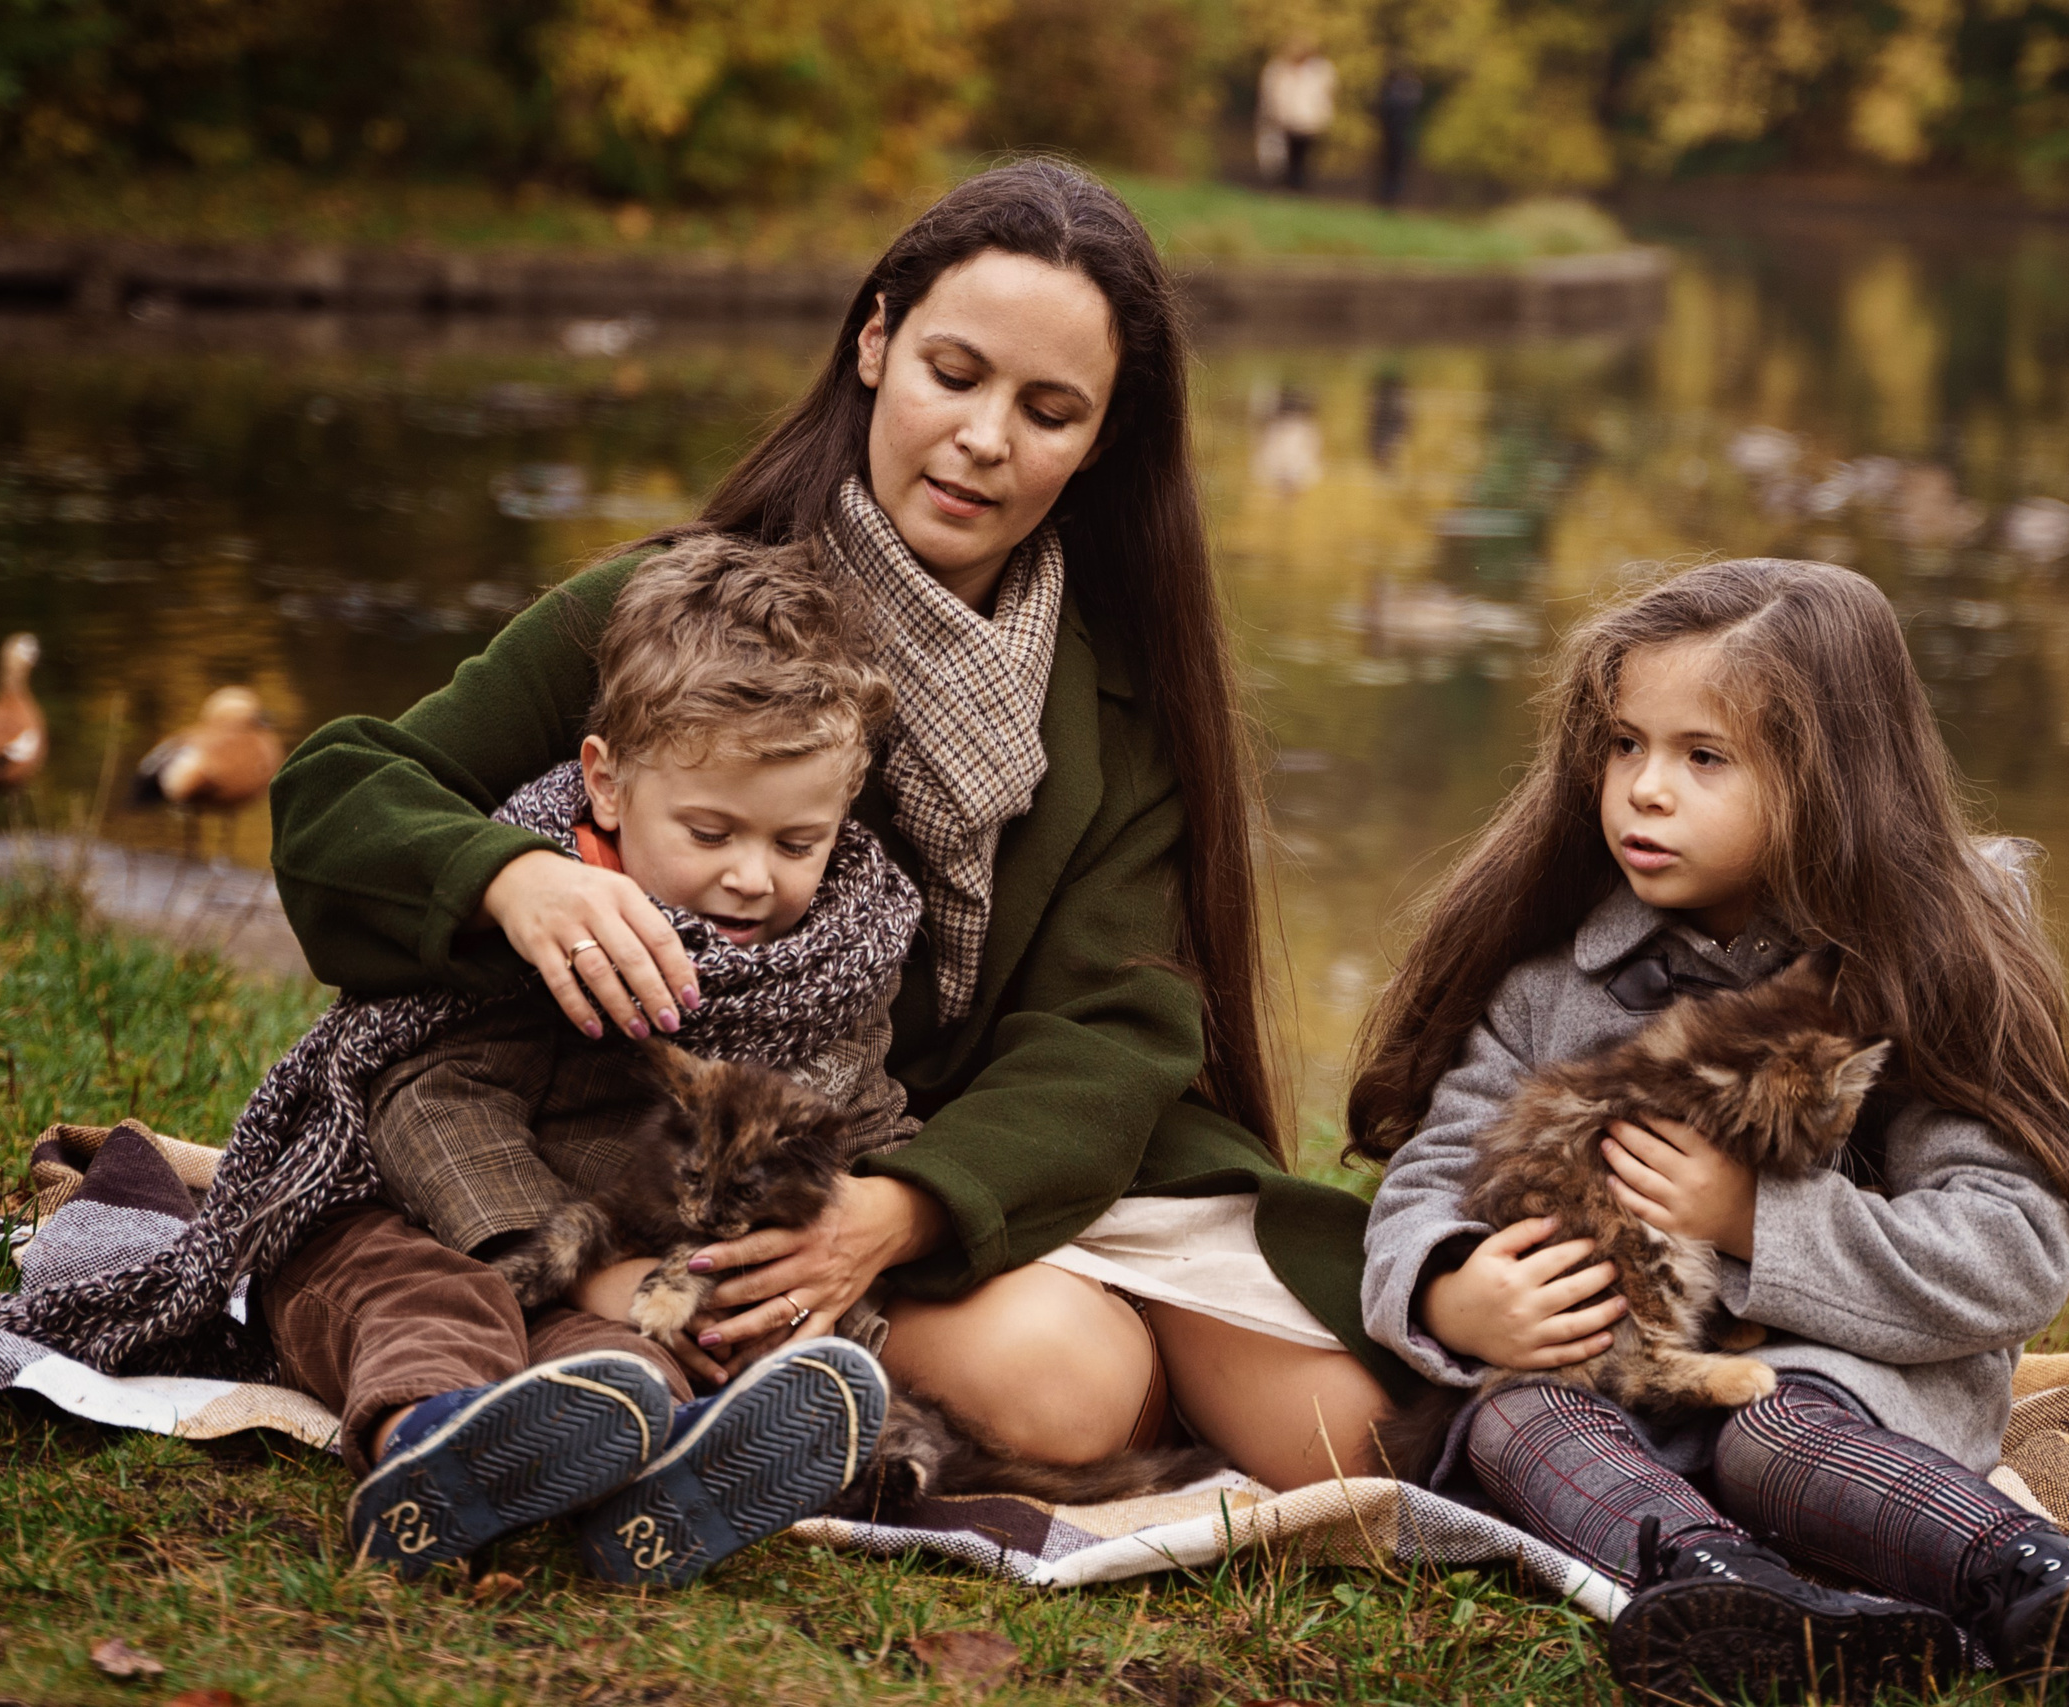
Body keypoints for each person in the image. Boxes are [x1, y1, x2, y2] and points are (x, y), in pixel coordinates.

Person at [267, 161, 1410, 1531]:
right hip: (688, 1155)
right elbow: (340, 793)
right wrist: (515, 878)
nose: (983, 439)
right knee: (1071, 1386)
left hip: (973, 1158)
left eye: (1048, 411)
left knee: (1350, 1439)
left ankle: (878, 1382)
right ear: (874, 343)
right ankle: (726, 1370)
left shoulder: (1122, 688)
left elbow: (1114, 1030)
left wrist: (906, 1207)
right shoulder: (682, 611)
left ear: (1102, 440)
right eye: (953, 374)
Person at [1349, 560, 2069, 1704]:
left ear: (1831, 779)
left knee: (1769, 1431)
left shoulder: (1920, 975)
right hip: (1622, 1391)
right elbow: (1430, 1176)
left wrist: (1754, 1220)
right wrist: (1448, 1289)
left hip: (1853, 1391)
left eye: (1704, 757)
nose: (1644, 789)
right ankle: (1732, 1593)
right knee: (1510, 1419)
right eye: (1624, 745)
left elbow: (2009, 1252)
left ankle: (2052, 1589)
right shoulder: (1550, 990)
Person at [282, 537, 915, 1585]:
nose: (752, 877)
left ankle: (657, 1473)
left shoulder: (837, 955)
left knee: (627, 1362)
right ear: (608, 784)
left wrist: (869, 1214)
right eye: (709, 832)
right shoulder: (557, 911)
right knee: (426, 1298)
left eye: (796, 844)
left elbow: (860, 1108)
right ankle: (427, 1445)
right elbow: (431, 1095)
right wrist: (566, 1258)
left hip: (631, 1277)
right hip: (430, 1217)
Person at [1258, 37, 1337, 193]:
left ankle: (1297, 184)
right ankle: (1287, 184)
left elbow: (1325, 95)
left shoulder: (1319, 70)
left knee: (1302, 154)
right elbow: (1272, 94)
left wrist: (1322, 115)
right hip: (1286, 119)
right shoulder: (1278, 69)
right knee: (1283, 154)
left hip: (1307, 120)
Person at [1374, 63, 1423, 205]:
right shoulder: (1406, 91)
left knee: (1395, 167)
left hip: (1398, 135)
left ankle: (1391, 196)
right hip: (1394, 135)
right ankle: (1388, 195)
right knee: (1392, 166)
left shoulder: (1400, 91)